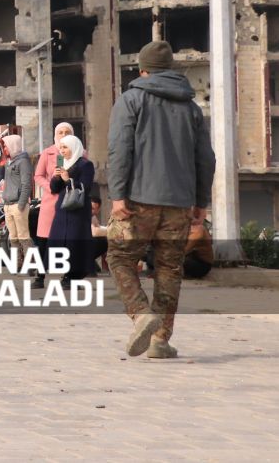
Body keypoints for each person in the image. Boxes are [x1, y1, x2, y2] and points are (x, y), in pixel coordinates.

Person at [105, 39, 216, 360]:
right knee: (169, 268)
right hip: (181, 203)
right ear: (169, 70)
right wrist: (200, 201)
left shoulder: (131, 100)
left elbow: (119, 150)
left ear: (143, 70)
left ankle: (141, 313)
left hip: (138, 199)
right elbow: (205, 159)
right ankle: (160, 340)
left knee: (119, 258)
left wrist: (118, 195)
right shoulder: (191, 108)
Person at [48, 134, 96, 287]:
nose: (62, 151)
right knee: (61, 241)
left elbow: (85, 187)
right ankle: (66, 274)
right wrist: (56, 178)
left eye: (65, 147)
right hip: (63, 209)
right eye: (60, 147)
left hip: (78, 210)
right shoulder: (62, 164)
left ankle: (72, 276)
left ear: (74, 148)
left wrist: (68, 180)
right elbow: (54, 189)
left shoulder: (85, 165)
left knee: (75, 242)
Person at [32, 122, 75, 288]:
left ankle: (68, 277)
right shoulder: (48, 153)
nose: (63, 135)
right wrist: (49, 186)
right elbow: (38, 175)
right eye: (60, 132)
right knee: (44, 240)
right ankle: (40, 276)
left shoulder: (80, 152)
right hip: (51, 202)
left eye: (67, 132)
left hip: (70, 202)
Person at [0, 133, 33, 257]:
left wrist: (21, 204)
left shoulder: (23, 162)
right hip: (8, 205)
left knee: (23, 236)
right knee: (13, 238)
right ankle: (17, 263)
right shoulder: (10, 162)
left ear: (13, 146)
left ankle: (32, 265)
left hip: (18, 205)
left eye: (6, 146)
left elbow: (26, 185)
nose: (5, 149)